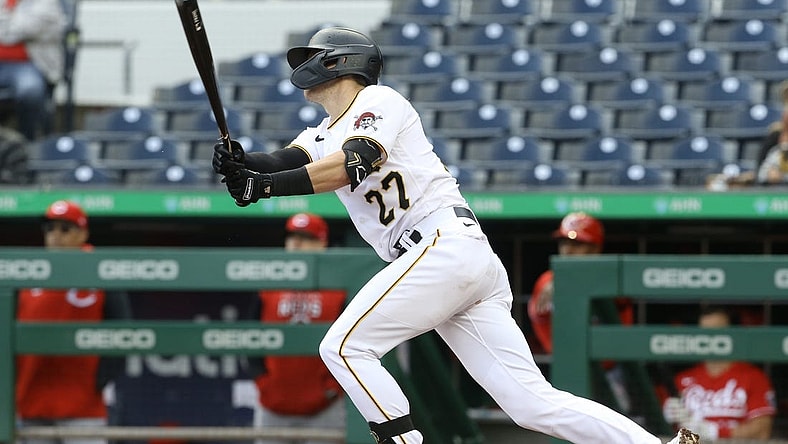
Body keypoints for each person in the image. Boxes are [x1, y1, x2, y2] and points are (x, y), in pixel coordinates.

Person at [211, 26, 699, 444]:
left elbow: (357, 162)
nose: (304, 70)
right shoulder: (320, 132)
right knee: (530, 404)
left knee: (343, 347)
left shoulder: (379, 100)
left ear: (340, 62)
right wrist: (240, 163)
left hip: (441, 245)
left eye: (315, 58)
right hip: (450, 260)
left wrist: (265, 186)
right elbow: (282, 162)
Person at [15, 200, 131, 444]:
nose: (56, 236)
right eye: (50, 229)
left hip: (82, 402)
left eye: (64, 229)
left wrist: (102, 379)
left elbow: (121, 327)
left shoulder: (101, 270)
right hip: (31, 398)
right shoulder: (28, 272)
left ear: (82, 233)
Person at [249, 212, 346, 444]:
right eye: (292, 236)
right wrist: (264, 383)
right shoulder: (269, 288)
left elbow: (352, 345)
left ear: (322, 243)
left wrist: (333, 389)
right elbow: (249, 339)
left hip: (325, 407)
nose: (296, 243)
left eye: (305, 237)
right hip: (274, 405)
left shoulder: (340, 288)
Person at [527, 212, 634, 414]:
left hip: (610, 372)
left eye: (577, 244)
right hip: (569, 370)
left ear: (595, 248)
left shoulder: (611, 276)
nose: (568, 250)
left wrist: (568, 281)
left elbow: (621, 298)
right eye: (564, 243)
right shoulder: (547, 281)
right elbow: (539, 320)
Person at [662, 305, 776, 441]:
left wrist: (716, 432)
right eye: (705, 332)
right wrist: (665, 416)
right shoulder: (682, 380)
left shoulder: (753, 377)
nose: (710, 338)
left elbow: (762, 432)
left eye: (716, 331)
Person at [0, 0, 67, 140]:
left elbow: (18, 31)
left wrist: (6, 21)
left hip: (29, 65)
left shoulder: (45, 3)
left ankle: (29, 141)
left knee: (29, 90)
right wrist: (10, 20)